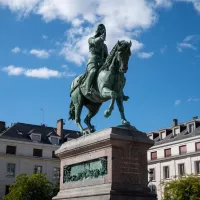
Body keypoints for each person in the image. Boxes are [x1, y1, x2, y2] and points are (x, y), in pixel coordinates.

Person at [84, 24, 108, 95]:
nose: (102, 32)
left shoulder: (104, 46)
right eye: (100, 30)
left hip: (102, 63)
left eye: (103, 31)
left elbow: (107, 56)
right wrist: (100, 38)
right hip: (93, 61)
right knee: (93, 71)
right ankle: (87, 89)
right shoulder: (91, 39)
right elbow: (94, 42)